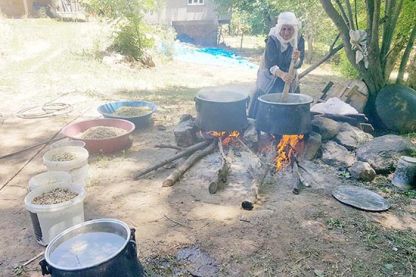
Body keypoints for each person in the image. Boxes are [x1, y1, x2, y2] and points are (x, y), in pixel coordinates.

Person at [248, 12, 305, 118]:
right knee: (263, 100)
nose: (287, 33)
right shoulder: (272, 39)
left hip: (290, 75)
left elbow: (299, 63)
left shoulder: (299, 39)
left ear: (294, 29)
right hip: (270, 74)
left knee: (291, 103)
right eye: (284, 29)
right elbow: (270, 64)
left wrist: (297, 59)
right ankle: (257, 122)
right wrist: (282, 75)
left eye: (290, 29)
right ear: (279, 28)